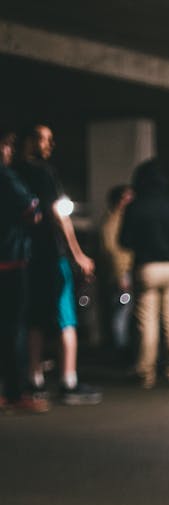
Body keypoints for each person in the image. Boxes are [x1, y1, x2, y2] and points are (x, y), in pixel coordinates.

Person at [15, 123, 102, 405]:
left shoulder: (12, 174)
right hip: (52, 256)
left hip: (24, 257)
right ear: (29, 141)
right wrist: (78, 254)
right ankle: (68, 381)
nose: (49, 145)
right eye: (44, 139)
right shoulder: (45, 173)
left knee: (33, 319)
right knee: (66, 317)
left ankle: (34, 378)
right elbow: (59, 215)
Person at [119, 159, 169, 390]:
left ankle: (146, 372)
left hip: (147, 266)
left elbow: (124, 240)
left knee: (147, 321)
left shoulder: (136, 206)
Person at [0, 127, 48, 415]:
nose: (8, 151)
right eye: (5, 146)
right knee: (12, 327)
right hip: (10, 260)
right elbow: (32, 211)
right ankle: (15, 393)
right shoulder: (6, 177)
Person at [98, 183, 134, 359]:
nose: (131, 200)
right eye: (127, 197)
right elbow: (112, 251)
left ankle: (122, 347)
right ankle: (121, 349)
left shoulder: (120, 219)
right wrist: (121, 276)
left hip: (124, 272)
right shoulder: (113, 221)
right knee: (121, 312)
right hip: (122, 273)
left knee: (123, 311)